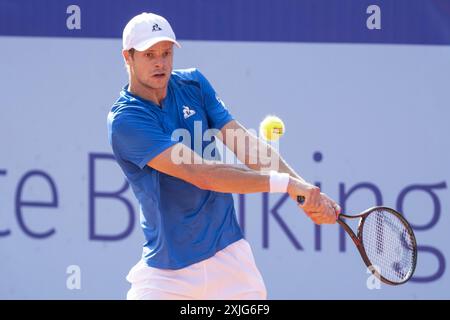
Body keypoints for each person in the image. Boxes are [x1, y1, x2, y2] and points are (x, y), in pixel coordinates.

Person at [107, 12, 341, 300]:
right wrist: (286, 185)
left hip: (231, 263)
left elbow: (244, 143)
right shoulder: (126, 120)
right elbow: (201, 174)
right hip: (166, 277)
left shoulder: (194, 84)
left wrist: (305, 191)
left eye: (166, 53)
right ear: (127, 58)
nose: (160, 62)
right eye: (149, 54)